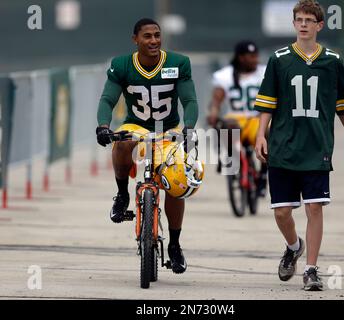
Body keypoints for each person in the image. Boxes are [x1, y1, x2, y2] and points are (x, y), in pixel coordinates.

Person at [254, 0, 344, 291]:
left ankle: (311, 270)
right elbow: (267, 103)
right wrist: (261, 134)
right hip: (284, 145)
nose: (303, 24)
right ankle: (293, 246)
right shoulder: (279, 59)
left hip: (317, 146)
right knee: (281, 212)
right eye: (298, 19)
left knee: (315, 207)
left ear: (319, 25)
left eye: (308, 20)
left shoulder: (333, 61)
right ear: (294, 23)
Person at [95, 18, 201, 274]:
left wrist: (188, 126)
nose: (153, 41)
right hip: (138, 125)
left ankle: (174, 244)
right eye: (147, 36)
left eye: (157, 35)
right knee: (122, 142)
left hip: (169, 128)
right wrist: (102, 125)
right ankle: (122, 194)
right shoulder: (121, 65)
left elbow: (190, 99)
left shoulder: (178, 63)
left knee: (175, 182)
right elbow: (108, 98)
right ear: (135, 40)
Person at [207, 40, 267, 197]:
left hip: (257, 118)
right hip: (236, 118)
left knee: (269, 134)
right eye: (251, 56)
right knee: (226, 125)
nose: (255, 59)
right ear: (241, 58)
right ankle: (229, 157)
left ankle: (263, 175)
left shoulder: (265, 72)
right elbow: (216, 100)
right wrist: (213, 112)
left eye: (256, 55)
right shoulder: (225, 75)